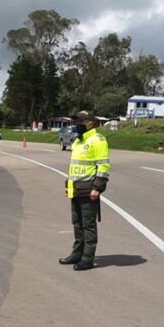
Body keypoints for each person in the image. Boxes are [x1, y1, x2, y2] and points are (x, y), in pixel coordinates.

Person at [59, 111, 110, 271]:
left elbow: (103, 166)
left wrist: (97, 187)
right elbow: (75, 167)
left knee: (88, 225)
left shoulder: (98, 140)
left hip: (89, 189)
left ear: (88, 123)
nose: (76, 125)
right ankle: (77, 253)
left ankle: (87, 259)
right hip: (76, 189)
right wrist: (68, 186)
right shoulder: (78, 141)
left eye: (79, 122)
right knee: (77, 224)